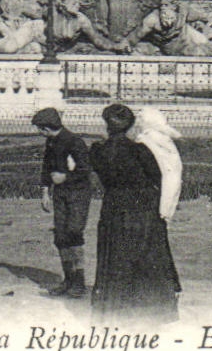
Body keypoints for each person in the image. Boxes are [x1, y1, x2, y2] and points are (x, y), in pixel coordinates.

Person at [88, 103, 179, 324]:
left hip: (114, 209)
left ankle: (114, 312)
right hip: (142, 209)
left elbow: (98, 180)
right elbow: (156, 179)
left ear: (107, 125)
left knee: (115, 259)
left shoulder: (98, 150)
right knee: (147, 259)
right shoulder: (139, 150)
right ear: (130, 126)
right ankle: (149, 312)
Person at [32, 107, 92, 298]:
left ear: (46, 128)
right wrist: (45, 191)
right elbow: (46, 167)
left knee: (74, 233)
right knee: (60, 236)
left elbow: (85, 169)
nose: (39, 132)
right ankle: (68, 279)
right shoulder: (51, 142)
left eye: (39, 129)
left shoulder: (75, 142)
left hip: (78, 194)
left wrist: (65, 178)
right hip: (60, 194)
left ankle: (79, 282)